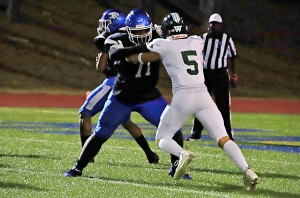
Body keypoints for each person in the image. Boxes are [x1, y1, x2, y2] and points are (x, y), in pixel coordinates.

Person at [125, 12, 259, 190]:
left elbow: (141, 56)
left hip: (183, 97)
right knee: (224, 138)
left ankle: (182, 153)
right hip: (203, 96)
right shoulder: (197, 41)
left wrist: (126, 56)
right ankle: (247, 170)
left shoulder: (162, 44)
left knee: (162, 137)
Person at [64, 9, 190, 180]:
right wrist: (146, 46)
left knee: (174, 129)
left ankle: (176, 168)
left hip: (148, 95)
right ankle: (78, 168)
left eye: (145, 31)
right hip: (122, 96)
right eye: (136, 32)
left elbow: (179, 34)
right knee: (101, 133)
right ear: (127, 29)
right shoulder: (117, 38)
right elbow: (113, 51)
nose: (141, 35)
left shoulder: (157, 33)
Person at [78, 8, 158, 164]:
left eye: (107, 24)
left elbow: (101, 68)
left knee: (84, 114)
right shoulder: (133, 36)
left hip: (113, 82)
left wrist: (102, 54)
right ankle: (150, 154)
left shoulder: (111, 39)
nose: (104, 27)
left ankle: (87, 156)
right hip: (130, 83)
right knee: (126, 121)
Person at [186, 13, 237, 141]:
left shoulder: (227, 39)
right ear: (209, 24)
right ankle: (196, 133)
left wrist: (234, 75)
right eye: (212, 23)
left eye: (217, 24)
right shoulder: (202, 38)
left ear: (220, 25)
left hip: (220, 74)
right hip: (205, 74)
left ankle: (227, 133)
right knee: (200, 104)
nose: (214, 26)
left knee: (223, 105)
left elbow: (232, 58)